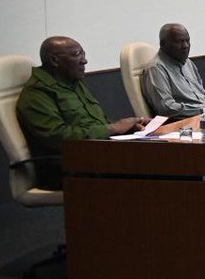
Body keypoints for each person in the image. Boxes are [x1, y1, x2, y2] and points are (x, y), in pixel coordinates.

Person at [16, 37, 147, 189]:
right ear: (54, 60)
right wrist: (113, 128)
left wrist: (127, 127)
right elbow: (58, 137)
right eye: (76, 55)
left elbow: (94, 122)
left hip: (95, 154)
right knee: (146, 170)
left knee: (152, 156)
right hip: (65, 167)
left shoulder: (72, 81)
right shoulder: (37, 93)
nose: (84, 61)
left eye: (83, 54)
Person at [142, 24, 205, 117]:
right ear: (163, 44)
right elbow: (166, 108)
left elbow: (202, 95)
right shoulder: (156, 69)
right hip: (185, 121)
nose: (185, 45)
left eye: (187, 40)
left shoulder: (188, 62)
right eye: (179, 41)